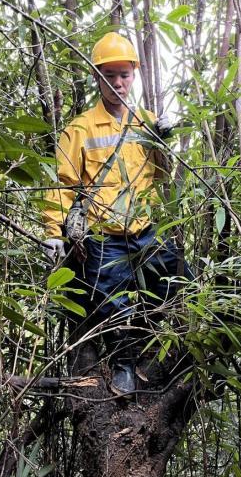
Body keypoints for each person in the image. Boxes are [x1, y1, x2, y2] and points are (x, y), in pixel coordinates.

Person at [42, 32, 189, 395]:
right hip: (105, 238)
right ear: (97, 77)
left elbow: (160, 174)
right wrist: (51, 229)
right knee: (113, 303)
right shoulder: (80, 129)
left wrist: (163, 138)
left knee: (179, 284)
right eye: (110, 75)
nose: (118, 83)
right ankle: (123, 365)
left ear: (134, 76)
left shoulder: (145, 121)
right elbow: (62, 183)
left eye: (124, 75)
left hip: (146, 231)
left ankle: (166, 353)